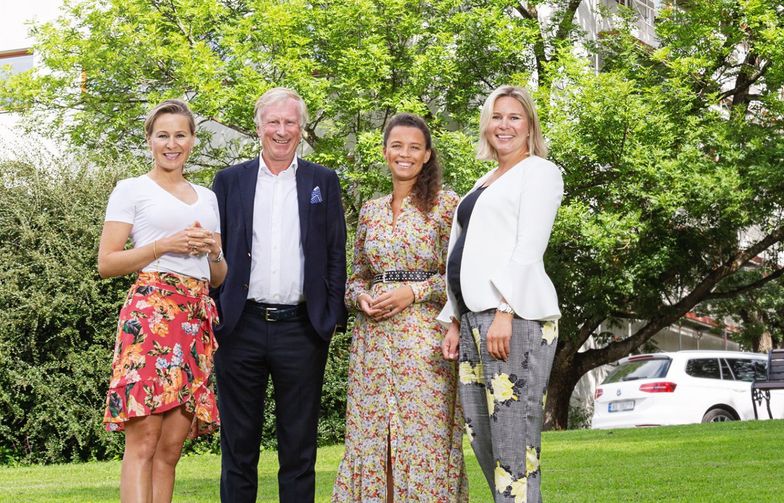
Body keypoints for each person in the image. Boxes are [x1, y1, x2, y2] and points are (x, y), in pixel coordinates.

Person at [211, 87, 347, 503]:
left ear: (301, 129)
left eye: (290, 122)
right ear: (259, 127)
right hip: (239, 328)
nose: (282, 130)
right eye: (274, 122)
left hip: (302, 330)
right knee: (238, 448)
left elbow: (335, 252)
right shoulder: (229, 181)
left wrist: (330, 318)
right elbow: (213, 252)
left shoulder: (322, 181)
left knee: (299, 450)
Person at [333, 113, 468, 502]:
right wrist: (359, 297)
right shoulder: (371, 211)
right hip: (372, 349)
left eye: (413, 147)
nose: (404, 154)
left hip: (424, 345)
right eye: (397, 146)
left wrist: (413, 292)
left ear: (427, 155)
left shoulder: (446, 206)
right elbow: (356, 276)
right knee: (375, 442)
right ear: (385, 151)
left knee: (421, 440)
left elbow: (460, 276)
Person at [98, 98, 227, 503]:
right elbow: (107, 262)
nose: (172, 144)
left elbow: (219, 276)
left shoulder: (207, 197)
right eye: (163, 135)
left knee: (171, 448)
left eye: (180, 135)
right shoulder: (132, 189)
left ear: (192, 141)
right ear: (150, 141)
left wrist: (213, 253)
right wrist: (163, 245)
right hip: (152, 314)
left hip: (195, 319)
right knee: (144, 441)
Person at [439, 85, 563, 503]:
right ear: (486, 126)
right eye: (497, 117)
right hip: (473, 318)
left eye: (514, 117)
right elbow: (466, 249)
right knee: (481, 433)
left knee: (514, 440)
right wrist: (453, 319)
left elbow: (529, 247)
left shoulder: (540, 172)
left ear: (529, 126)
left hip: (513, 318)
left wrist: (506, 310)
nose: (504, 125)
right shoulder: (485, 179)